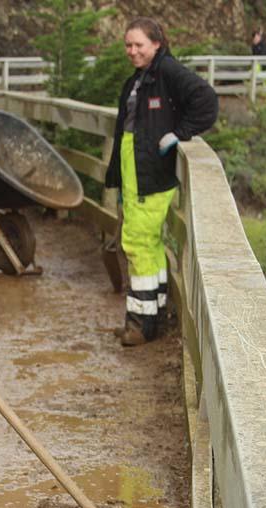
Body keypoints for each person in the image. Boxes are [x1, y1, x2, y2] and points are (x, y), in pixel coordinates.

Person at [105, 17, 218, 346]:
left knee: (137, 245)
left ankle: (139, 323)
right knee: (149, 245)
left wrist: (179, 134)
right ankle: (152, 317)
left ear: (156, 44)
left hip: (150, 175)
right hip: (136, 175)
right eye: (128, 45)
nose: (132, 51)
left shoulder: (167, 72)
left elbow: (206, 101)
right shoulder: (140, 78)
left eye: (138, 44)